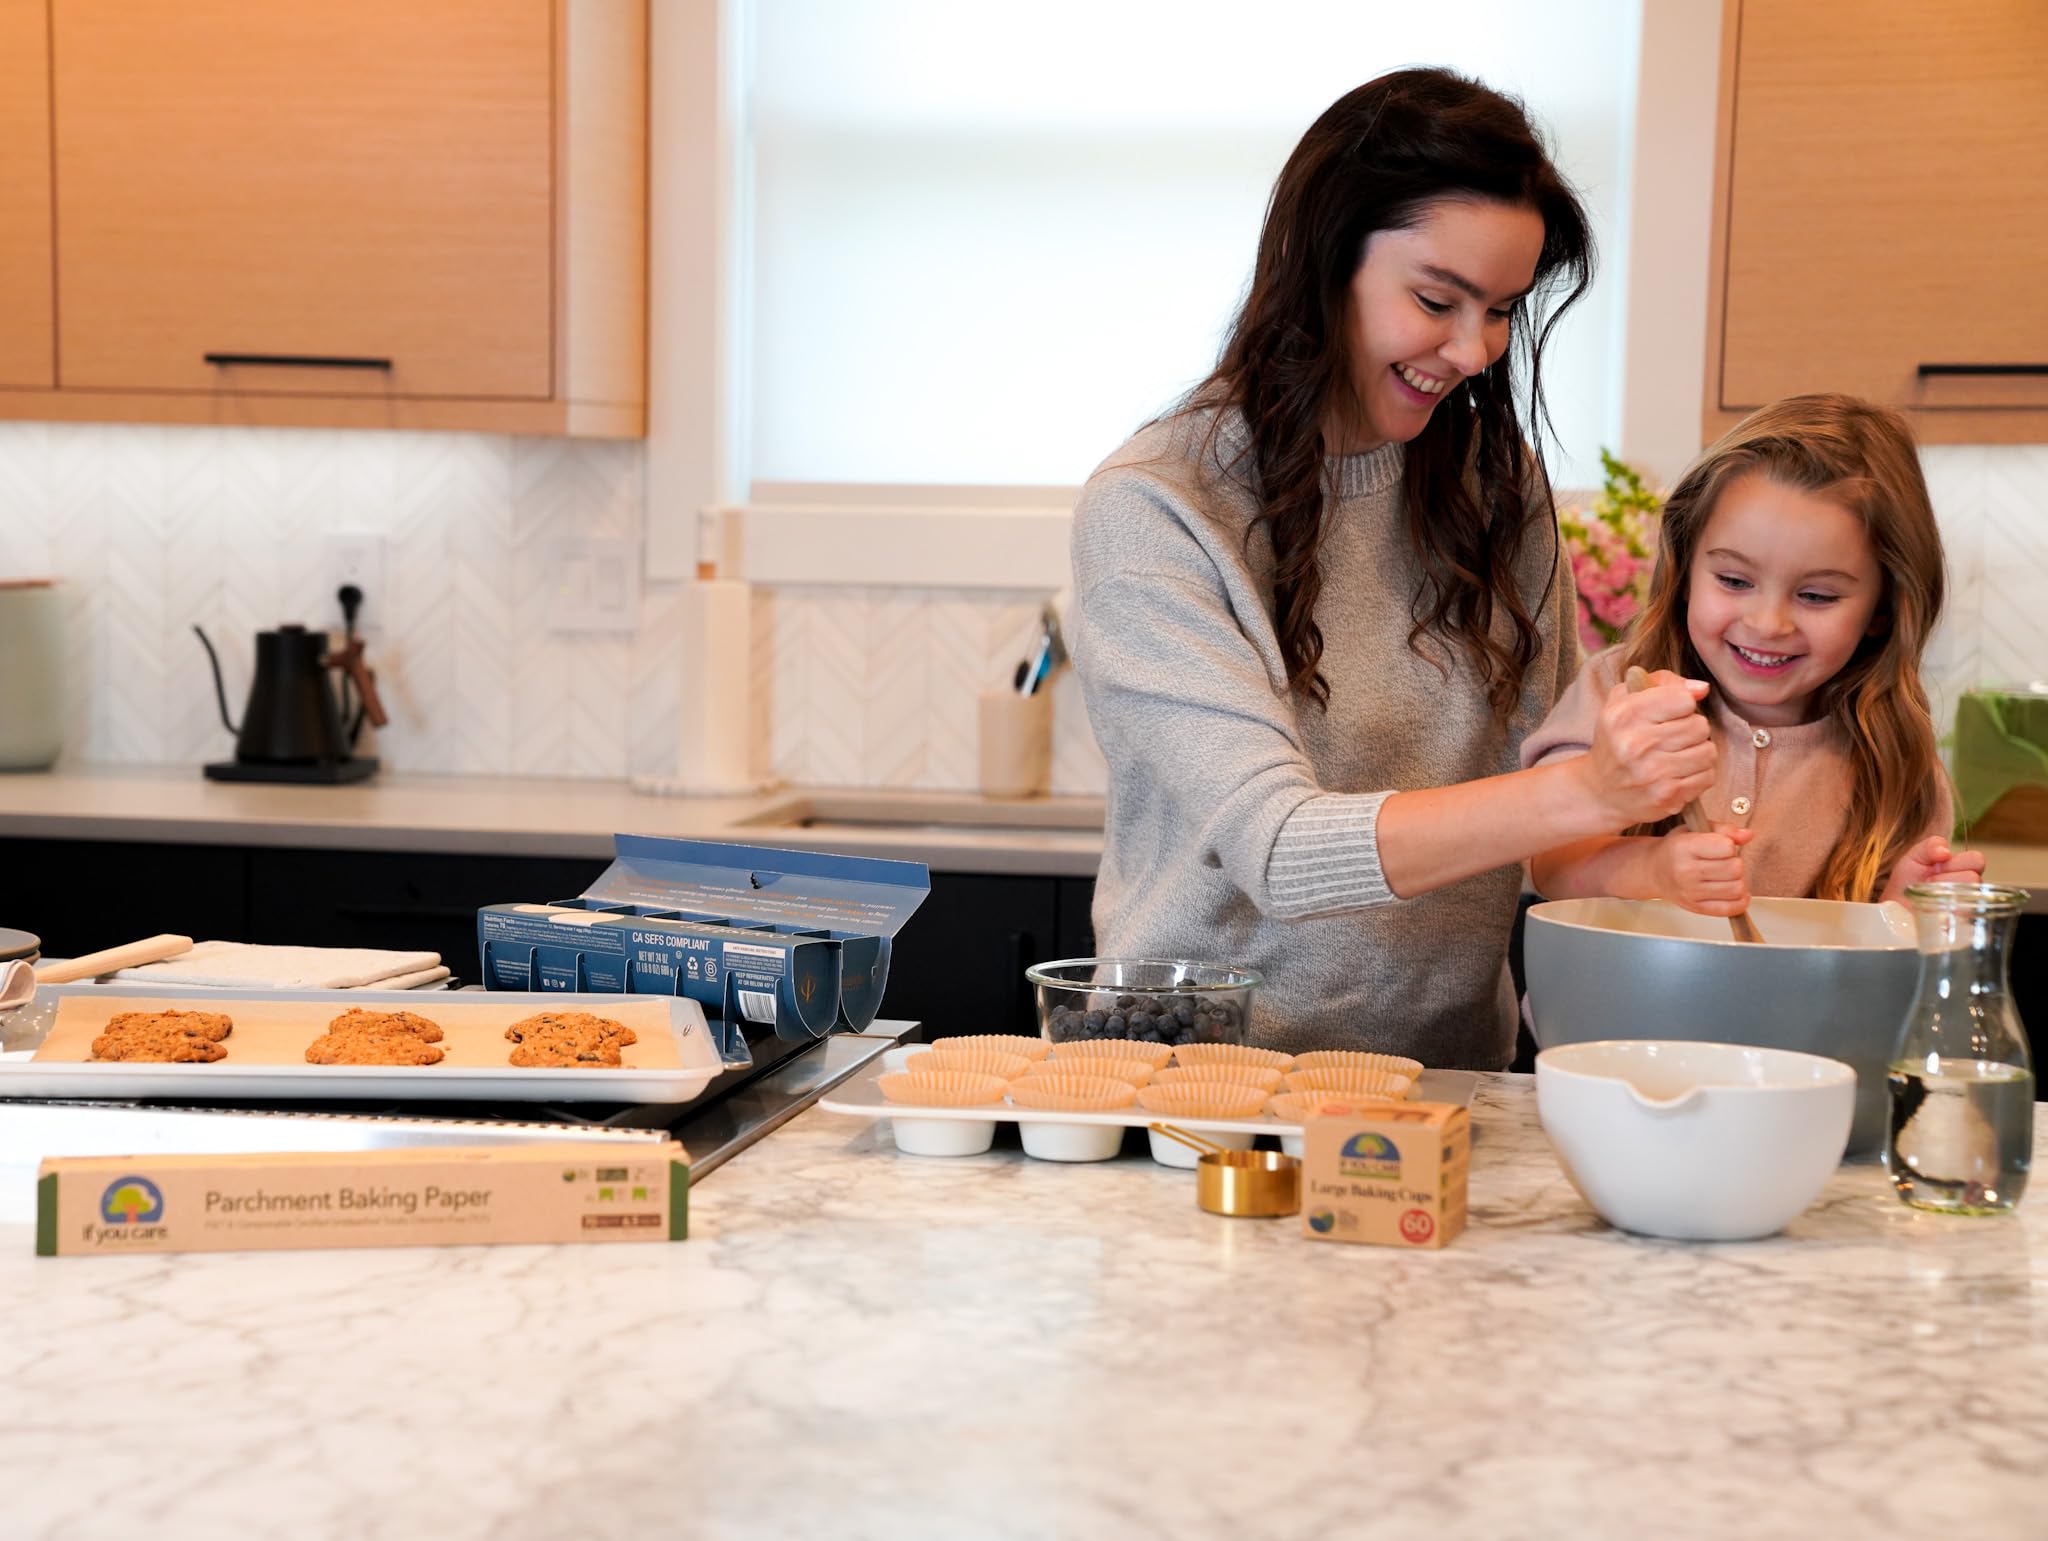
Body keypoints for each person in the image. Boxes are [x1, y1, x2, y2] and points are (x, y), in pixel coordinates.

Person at [1068, 69, 1716, 1068]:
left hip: (1438, 1075)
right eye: (1435, 300)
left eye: (1500, 309)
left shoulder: (1493, 489)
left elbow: (1536, 805)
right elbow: (1279, 850)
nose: (1472, 351)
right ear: (1323, 260)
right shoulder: (1156, 505)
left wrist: (1652, 851)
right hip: (1191, 1079)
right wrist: (1590, 789)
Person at [1524, 393, 1985, 910]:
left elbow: (1873, 975)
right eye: (1734, 580)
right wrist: (1652, 868)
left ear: (1883, 608)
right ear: (1685, 570)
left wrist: (1902, 916)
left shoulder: (1894, 759)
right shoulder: (1620, 691)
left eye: (1816, 596)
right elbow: (1548, 861)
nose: (1768, 624)